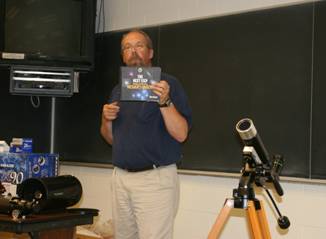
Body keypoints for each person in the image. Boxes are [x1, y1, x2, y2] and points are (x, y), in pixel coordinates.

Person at [100, 29, 192, 239]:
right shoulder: (118, 90)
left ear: (150, 53)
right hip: (121, 178)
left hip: (154, 179)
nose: (133, 51)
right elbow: (111, 139)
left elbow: (181, 134)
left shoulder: (169, 85)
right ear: (122, 56)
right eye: (127, 48)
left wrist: (165, 101)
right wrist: (105, 119)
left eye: (139, 45)